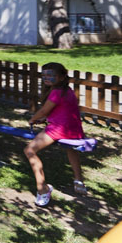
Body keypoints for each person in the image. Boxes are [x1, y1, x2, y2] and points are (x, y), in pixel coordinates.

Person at [24, 62, 87, 207]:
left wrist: (33, 119)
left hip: (59, 129)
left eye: (50, 75)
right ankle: (78, 180)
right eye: (44, 75)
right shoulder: (67, 90)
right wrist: (45, 119)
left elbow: (43, 111)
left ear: (62, 77)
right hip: (74, 129)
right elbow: (62, 110)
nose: (46, 78)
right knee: (71, 149)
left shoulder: (56, 92)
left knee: (29, 150)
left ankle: (43, 189)